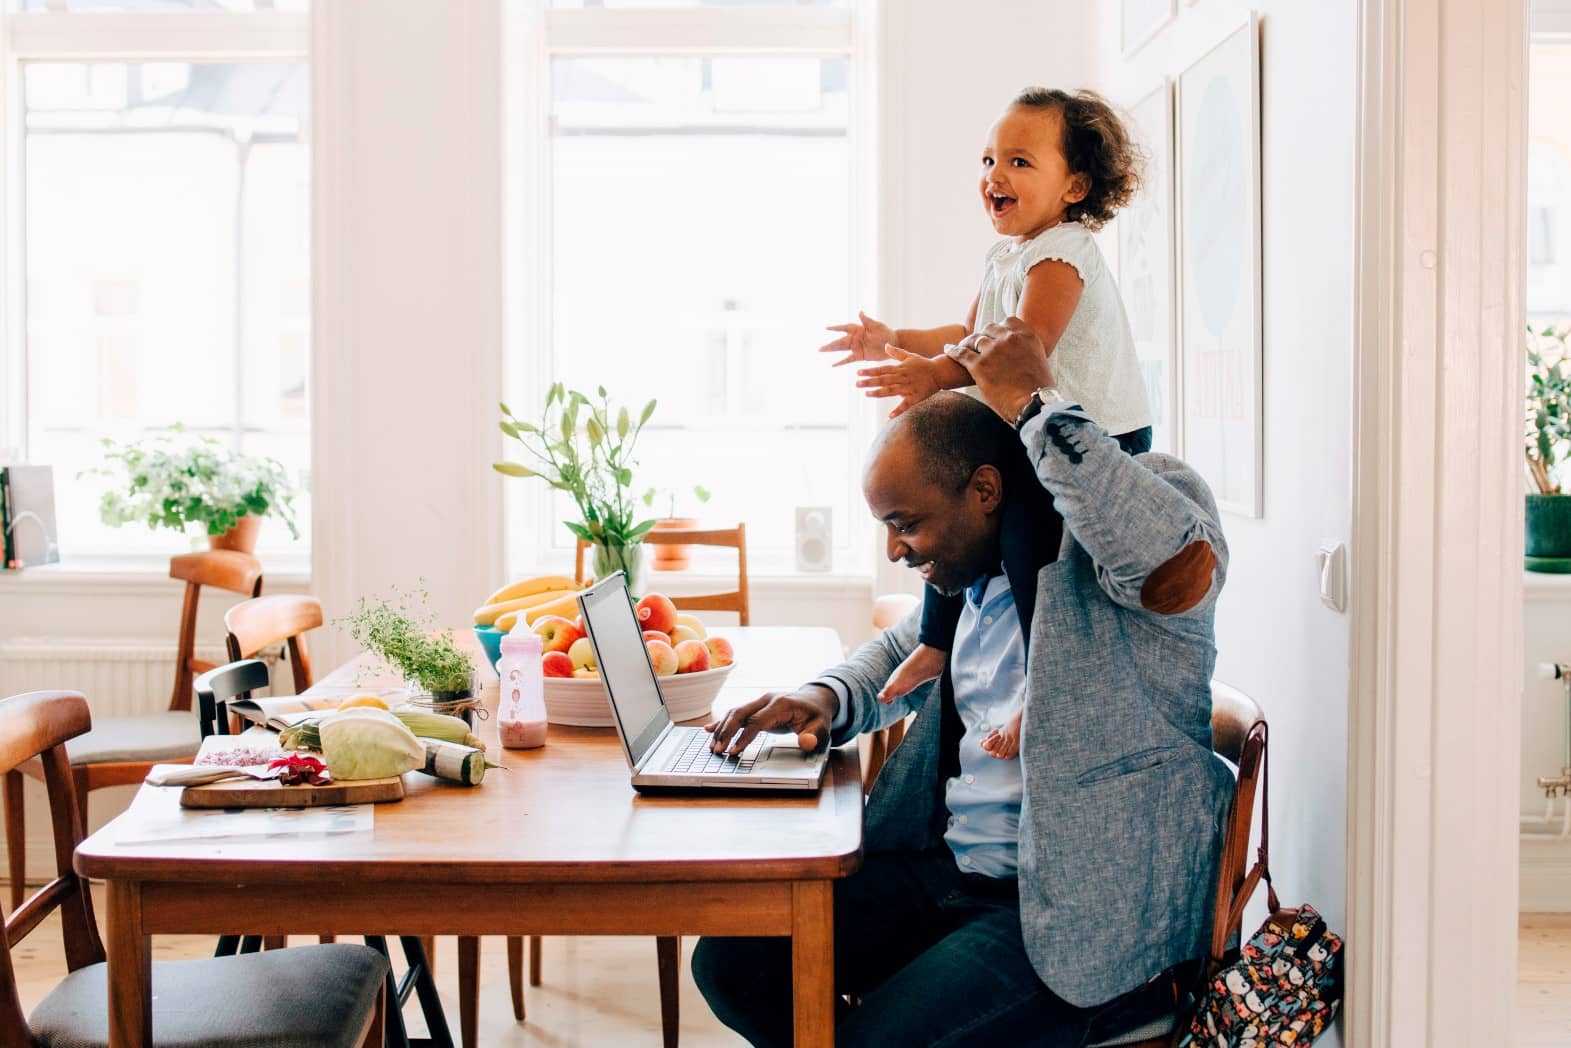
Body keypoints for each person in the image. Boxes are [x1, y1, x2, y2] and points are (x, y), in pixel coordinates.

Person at [696, 318, 1233, 1047]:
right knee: (733, 961)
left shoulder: (1133, 516)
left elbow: (1172, 559)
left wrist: (1034, 402)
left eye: (904, 522)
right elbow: (896, 650)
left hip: (1076, 919)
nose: (893, 548)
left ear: (985, 490)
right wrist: (825, 696)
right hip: (949, 876)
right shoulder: (973, 578)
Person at [821, 87, 1155, 729]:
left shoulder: (1064, 253)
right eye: (987, 160)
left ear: (1076, 186)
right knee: (947, 513)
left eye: (1020, 162)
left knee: (1026, 534)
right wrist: (893, 338)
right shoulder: (1005, 255)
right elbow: (965, 334)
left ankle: (1040, 684)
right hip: (1028, 428)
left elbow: (1017, 350)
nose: (994, 175)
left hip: (1093, 439)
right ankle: (934, 642)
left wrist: (935, 377)